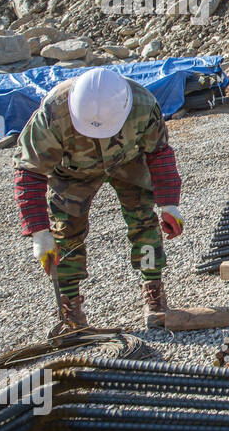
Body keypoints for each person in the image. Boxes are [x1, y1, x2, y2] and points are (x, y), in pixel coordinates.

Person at [13, 67, 184, 327]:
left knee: (144, 222)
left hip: (127, 163)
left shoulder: (144, 105)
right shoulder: (52, 112)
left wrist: (169, 203)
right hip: (73, 172)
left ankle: (153, 288)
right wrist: (39, 232)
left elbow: (159, 153)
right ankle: (70, 307)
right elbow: (29, 172)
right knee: (65, 232)